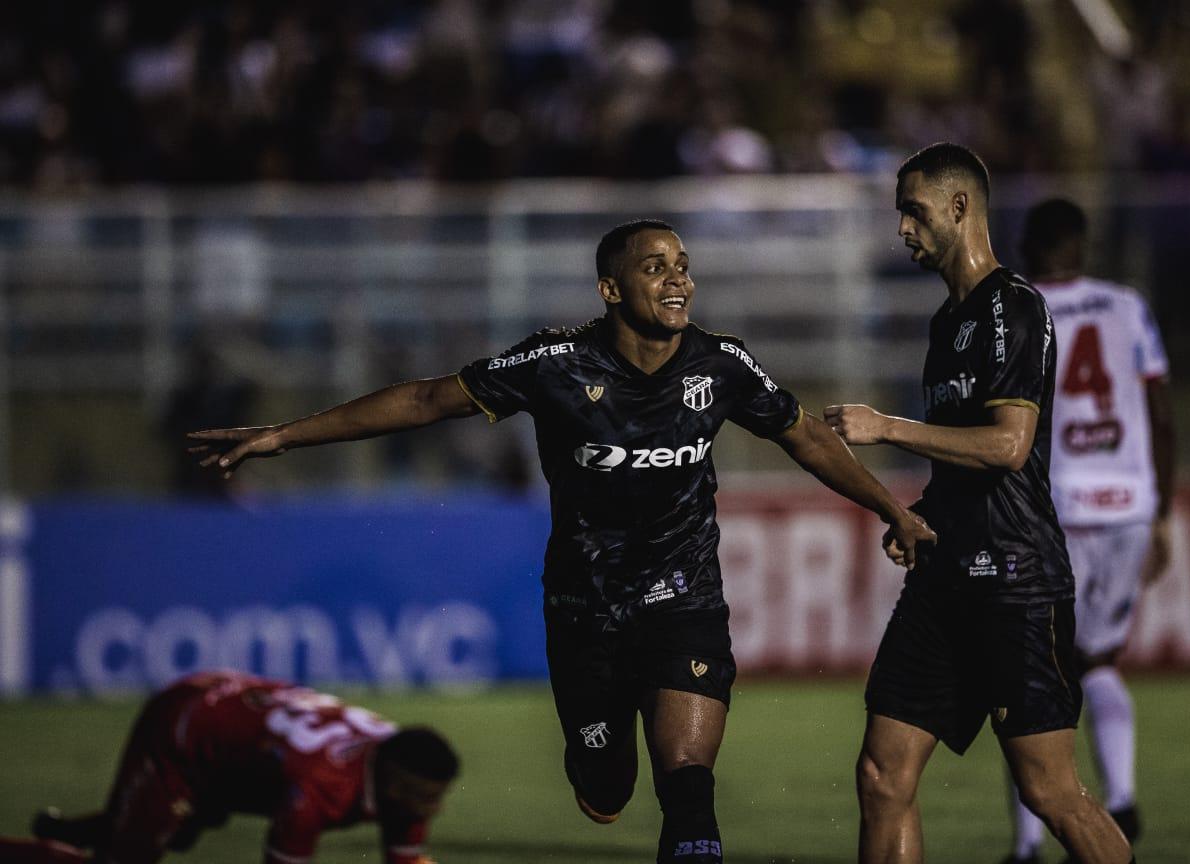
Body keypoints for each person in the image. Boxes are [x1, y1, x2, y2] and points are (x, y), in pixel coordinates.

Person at [186, 219, 936, 864]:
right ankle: (594, 765)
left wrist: (889, 508)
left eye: (683, 266)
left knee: (688, 782)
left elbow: (804, 435)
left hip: (684, 600)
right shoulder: (554, 365)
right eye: (655, 268)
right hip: (584, 611)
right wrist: (285, 434)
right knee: (607, 787)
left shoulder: (722, 365)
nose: (678, 281)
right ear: (610, 290)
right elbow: (424, 398)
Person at [823, 144, 1134, 864]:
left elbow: (1008, 446)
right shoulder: (946, 323)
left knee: (1050, 791)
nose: (902, 228)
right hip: (944, 573)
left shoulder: (1014, 307)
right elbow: (962, 454)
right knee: (881, 775)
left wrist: (887, 426)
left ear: (960, 208)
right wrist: (918, 514)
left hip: (1016, 582)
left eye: (914, 210)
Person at [998, 198, 1175, 864]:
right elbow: (1161, 415)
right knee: (1097, 660)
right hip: (1129, 501)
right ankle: (1122, 797)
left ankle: (1026, 846)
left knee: (1030, 673)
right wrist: (1162, 510)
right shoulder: (1127, 306)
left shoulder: (1017, 310)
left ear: (1028, 245)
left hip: (1058, 506)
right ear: (1081, 243)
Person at [0, 670, 458, 864]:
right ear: (394, 782)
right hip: (187, 730)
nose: (432, 810)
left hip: (242, 741)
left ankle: (75, 830)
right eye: (426, 797)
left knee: (176, 831)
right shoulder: (317, 790)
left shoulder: (400, 763)